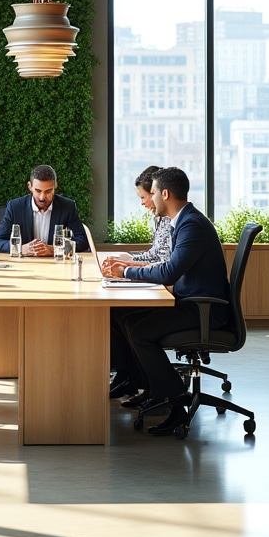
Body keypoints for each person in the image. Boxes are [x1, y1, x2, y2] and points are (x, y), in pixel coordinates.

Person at [104, 167, 230, 437]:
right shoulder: (184, 221)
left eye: (151, 193)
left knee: (140, 332)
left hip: (202, 310)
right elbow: (169, 266)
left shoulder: (191, 225)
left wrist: (126, 272)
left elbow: (170, 271)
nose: (149, 199)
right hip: (190, 301)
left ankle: (175, 402)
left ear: (165, 193)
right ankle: (151, 388)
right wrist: (129, 268)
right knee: (126, 318)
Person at [103, 165, 173, 401]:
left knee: (124, 315)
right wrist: (129, 259)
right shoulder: (161, 218)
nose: (144, 202)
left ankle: (150, 385)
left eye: (146, 196)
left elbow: (165, 262)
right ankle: (129, 376)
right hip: (162, 282)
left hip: (172, 292)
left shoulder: (174, 220)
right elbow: (155, 254)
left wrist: (128, 268)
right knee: (116, 313)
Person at [0, 164, 88, 256]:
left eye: (48, 191)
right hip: (24, 264)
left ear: (55, 186)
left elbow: (83, 241)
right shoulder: (15, 207)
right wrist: (20, 248)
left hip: (56, 265)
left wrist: (54, 249)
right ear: (30, 186)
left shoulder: (68, 207)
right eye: (38, 191)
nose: (42, 197)